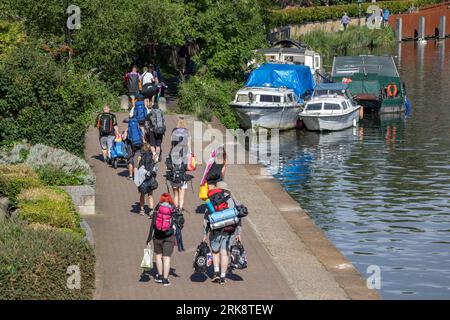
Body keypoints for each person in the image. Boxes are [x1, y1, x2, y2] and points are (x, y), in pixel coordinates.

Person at [202, 181, 242, 285]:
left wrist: (205, 234)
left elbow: (206, 219)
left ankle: (216, 273)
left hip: (216, 230)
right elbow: (238, 216)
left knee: (215, 252)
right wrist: (239, 232)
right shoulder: (232, 201)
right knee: (225, 253)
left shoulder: (211, 200)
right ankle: (223, 276)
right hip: (230, 230)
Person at [146, 193, 178, 286]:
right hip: (169, 236)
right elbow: (178, 223)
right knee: (166, 258)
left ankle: (159, 276)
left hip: (157, 236)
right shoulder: (173, 209)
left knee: (158, 256)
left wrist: (148, 239)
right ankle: (165, 279)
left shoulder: (157, 208)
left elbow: (152, 225)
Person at [167, 118, 192, 212]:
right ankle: (180, 209)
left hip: (174, 160)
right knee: (182, 189)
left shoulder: (174, 131)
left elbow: (171, 145)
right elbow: (189, 148)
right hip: (183, 161)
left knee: (175, 192)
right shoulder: (187, 132)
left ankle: (175, 208)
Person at [135, 143, 157, 216]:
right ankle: (151, 211)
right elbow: (155, 168)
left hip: (142, 178)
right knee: (150, 195)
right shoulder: (152, 157)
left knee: (142, 194)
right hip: (150, 178)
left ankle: (142, 210)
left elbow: (137, 167)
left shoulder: (140, 157)